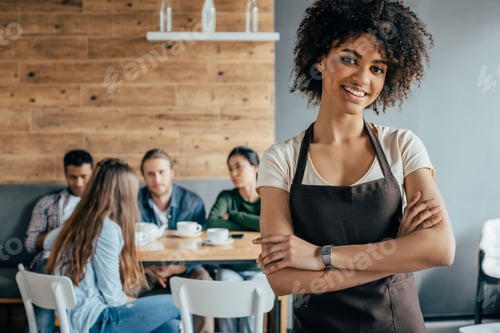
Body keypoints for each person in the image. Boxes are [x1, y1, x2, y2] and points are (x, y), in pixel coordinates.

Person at [253, 1, 456, 332]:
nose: (362, 78)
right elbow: (283, 280)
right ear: (320, 60)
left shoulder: (402, 146)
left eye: (377, 68)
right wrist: (395, 255)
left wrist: (321, 256)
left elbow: (440, 248)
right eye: (349, 59)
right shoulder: (281, 159)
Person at [46, 158, 181, 333]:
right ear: (123, 194)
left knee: (169, 327)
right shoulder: (105, 228)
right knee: (181, 302)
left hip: (76, 320)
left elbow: (48, 241)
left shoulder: (77, 222)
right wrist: (134, 303)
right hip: (99, 322)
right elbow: (113, 299)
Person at [138, 148, 213, 333]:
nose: (157, 179)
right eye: (150, 174)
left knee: (203, 282)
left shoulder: (192, 202)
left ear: (172, 172)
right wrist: (147, 268)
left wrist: (181, 267)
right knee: (123, 285)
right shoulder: (133, 201)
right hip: (146, 269)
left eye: (162, 172)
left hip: (186, 267)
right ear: (144, 176)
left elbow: (202, 247)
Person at [24, 149, 93, 333]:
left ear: (92, 173)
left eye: (84, 177)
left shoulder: (101, 205)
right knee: (41, 321)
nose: (79, 183)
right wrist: (63, 231)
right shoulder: (47, 203)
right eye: (73, 177)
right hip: (52, 261)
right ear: (65, 174)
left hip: (90, 262)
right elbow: (30, 244)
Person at [206, 146, 264, 333]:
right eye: (230, 168)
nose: (233, 173)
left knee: (251, 302)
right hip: (230, 267)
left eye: (238, 166)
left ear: (255, 167)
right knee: (225, 295)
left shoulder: (270, 196)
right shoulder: (226, 196)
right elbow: (211, 223)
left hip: (261, 269)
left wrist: (233, 215)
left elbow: (267, 225)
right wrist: (253, 225)